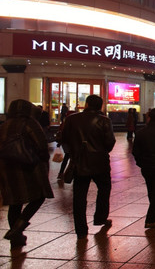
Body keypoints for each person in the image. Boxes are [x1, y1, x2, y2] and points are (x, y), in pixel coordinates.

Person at [0, 100, 54, 249]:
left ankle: (16, 238)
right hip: (27, 166)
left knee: (15, 203)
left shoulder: (5, 125)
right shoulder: (30, 123)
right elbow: (41, 145)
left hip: (6, 167)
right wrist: (42, 161)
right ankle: (17, 228)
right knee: (39, 196)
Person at [61, 95, 116, 240]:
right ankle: (100, 217)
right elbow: (110, 142)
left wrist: (73, 152)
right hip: (100, 162)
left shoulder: (72, 119)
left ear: (86, 104)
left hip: (79, 162)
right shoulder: (104, 120)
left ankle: (81, 229)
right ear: (101, 106)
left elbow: (63, 138)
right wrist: (100, 151)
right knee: (104, 189)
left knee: (79, 196)